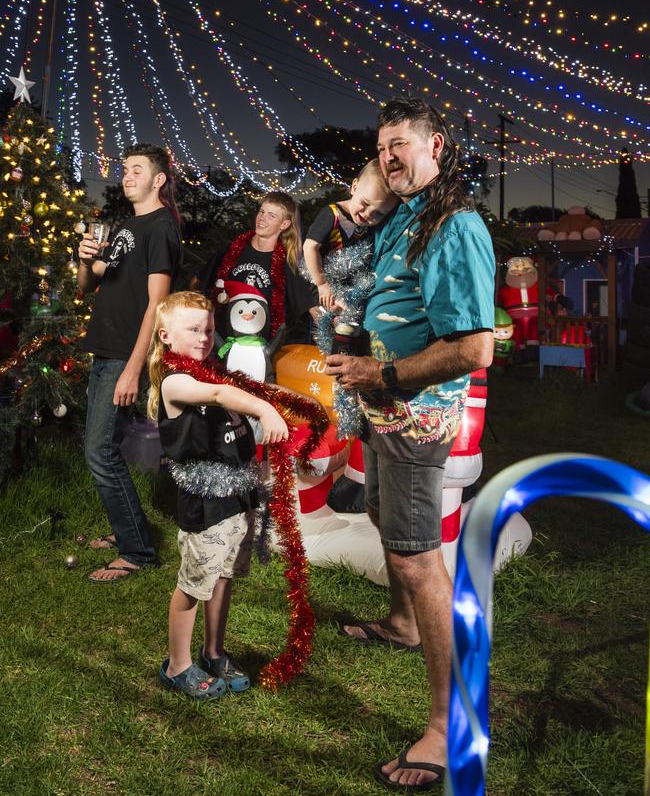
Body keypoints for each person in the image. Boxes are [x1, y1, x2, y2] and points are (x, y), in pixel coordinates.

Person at [325, 98, 495, 792]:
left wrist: (382, 372)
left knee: (420, 558)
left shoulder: (454, 225)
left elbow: (473, 347)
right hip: (383, 407)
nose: (390, 157)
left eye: (401, 145)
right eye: (382, 147)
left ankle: (447, 725)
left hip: (417, 412)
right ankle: (402, 624)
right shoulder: (406, 215)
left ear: (435, 146)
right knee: (380, 519)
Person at [147, 291, 288, 698]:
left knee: (224, 577)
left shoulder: (214, 371)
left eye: (209, 328)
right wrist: (265, 409)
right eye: (193, 329)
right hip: (206, 503)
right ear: (166, 335)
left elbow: (234, 417)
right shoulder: (176, 381)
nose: (205, 336)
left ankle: (213, 652)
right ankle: (177, 665)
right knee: (194, 584)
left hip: (236, 497)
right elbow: (218, 398)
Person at [77, 143, 182, 582]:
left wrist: (133, 369)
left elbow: (157, 306)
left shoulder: (161, 228)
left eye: (136, 169)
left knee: (99, 452)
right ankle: (129, 534)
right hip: (104, 349)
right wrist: (83, 260)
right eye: (124, 169)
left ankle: (137, 551)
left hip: (123, 355)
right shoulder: (126, 226)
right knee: (104, 448)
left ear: (158, 179)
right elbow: (90, 284)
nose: (127, 175)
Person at [210, 191, 318, 345]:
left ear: (284, 224)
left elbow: (310, 307)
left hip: (262, 349)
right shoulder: (231, 250)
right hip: (222, 343)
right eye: (261, 212)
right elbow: (199, 287)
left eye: (271, 216)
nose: (262, 218)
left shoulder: (287, 263)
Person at [303, 158, 398, 310]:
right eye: (365, 204)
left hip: (352, 283)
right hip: (323, 278)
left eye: (378, 214)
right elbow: (309, 247)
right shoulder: (332, 214)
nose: (368, 214)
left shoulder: (373, 225)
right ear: (354, 187)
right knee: (337, 312)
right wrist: (322, 283)